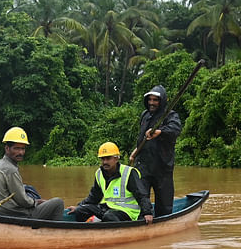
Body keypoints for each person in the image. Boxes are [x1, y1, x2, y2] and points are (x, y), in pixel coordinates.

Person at [0, 127, 65, 220]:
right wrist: (36, 202)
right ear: (7, 148)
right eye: (16, 148)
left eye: (22, 149)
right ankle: (54, 231)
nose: (20, 152)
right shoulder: (11, 169)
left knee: (28, 188)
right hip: (12, 214)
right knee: (58, 203)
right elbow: (23, 201)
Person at [129, 85, 182, 218]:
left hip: (162, 167)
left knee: (164, 205)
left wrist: (160, 132)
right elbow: (143, 138)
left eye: (155, 100)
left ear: (162, 101)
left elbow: (175, 129)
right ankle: (140, 223)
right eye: (150, 100)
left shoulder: (170, 115)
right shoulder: (145, 115)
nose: (152, 103)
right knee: (140, 199)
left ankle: (162, 225)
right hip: (143, 167)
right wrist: (135, 152)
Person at [68, 142, 154, 224]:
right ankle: (89, 230)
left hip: (127, 212)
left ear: (116, 158)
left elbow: (142, 195)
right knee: (80, 211)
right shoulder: (99, 173)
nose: (105, 162)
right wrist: (79, 206)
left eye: (108, 158)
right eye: (103, 159)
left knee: (109, 217)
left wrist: (147, 212)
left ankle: (113, 232)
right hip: (107, 208)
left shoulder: (129, 173)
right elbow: (94, 197)